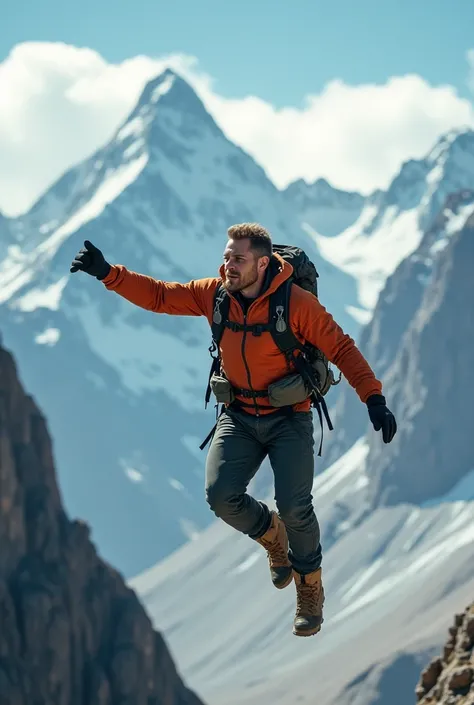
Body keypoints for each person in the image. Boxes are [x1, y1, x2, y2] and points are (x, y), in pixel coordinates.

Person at [70, 222, 397, 638]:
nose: (228, 265)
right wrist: (108, 273)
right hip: (239, 415)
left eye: (237, 259)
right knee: (221, 496)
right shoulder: (215, 295)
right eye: (226, 256)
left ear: (263, 263)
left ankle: (309, 587)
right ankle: (270, 534)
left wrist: (374, 398)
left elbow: (342, 348)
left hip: (289, 417)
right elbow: (160, 296)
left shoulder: (295, 304)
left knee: (296, 506)